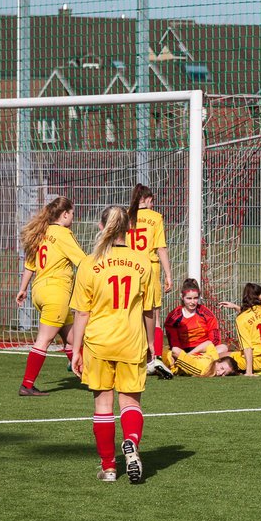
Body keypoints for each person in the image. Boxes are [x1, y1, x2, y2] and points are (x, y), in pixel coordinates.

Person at [68, 205, 155, 484]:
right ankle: (130, 441)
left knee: (103, 405)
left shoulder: (89, 263)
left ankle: (108, 468)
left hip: (98, 342)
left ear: (100, 226)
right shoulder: (143, 262)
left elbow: (82, 313)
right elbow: (149, 310)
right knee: (130, 402)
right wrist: (152, 342)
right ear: (129, 228)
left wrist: (76, 349)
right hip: (131, 340)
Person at [15, 196, 86, 396]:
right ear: (65, 214)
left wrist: (22, 289)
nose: (73, 217)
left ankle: (89, 378)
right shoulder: (63, 234)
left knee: (73, 339)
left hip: (39, 291)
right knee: (44, 340)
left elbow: (30, 264)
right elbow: (82, 261)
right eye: (72, 214)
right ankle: (27, 385)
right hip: (57, 292)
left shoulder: (42, 232)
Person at [128, 184, 174, 376]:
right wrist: (169, 275)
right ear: (146, 199)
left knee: (131, 311)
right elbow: (161, 248)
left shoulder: (126, 216)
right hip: (149, 268)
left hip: (128, 267)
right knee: (153, 314)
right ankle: (153, 357)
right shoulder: (155, 218)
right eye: (152, 201)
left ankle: (132, 355)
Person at [163, 278, 227, 358]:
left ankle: (189, 359)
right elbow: (173, 342)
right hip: (183, 351)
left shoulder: (206, 313)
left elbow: (214, 338)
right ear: (182, 297)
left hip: (204, 351)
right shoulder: (174, 316)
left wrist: (201, 350)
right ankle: (191, 360)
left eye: (195, 298)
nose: (192, 302)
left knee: (223, 348)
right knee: (173, 350)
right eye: (189, 298)